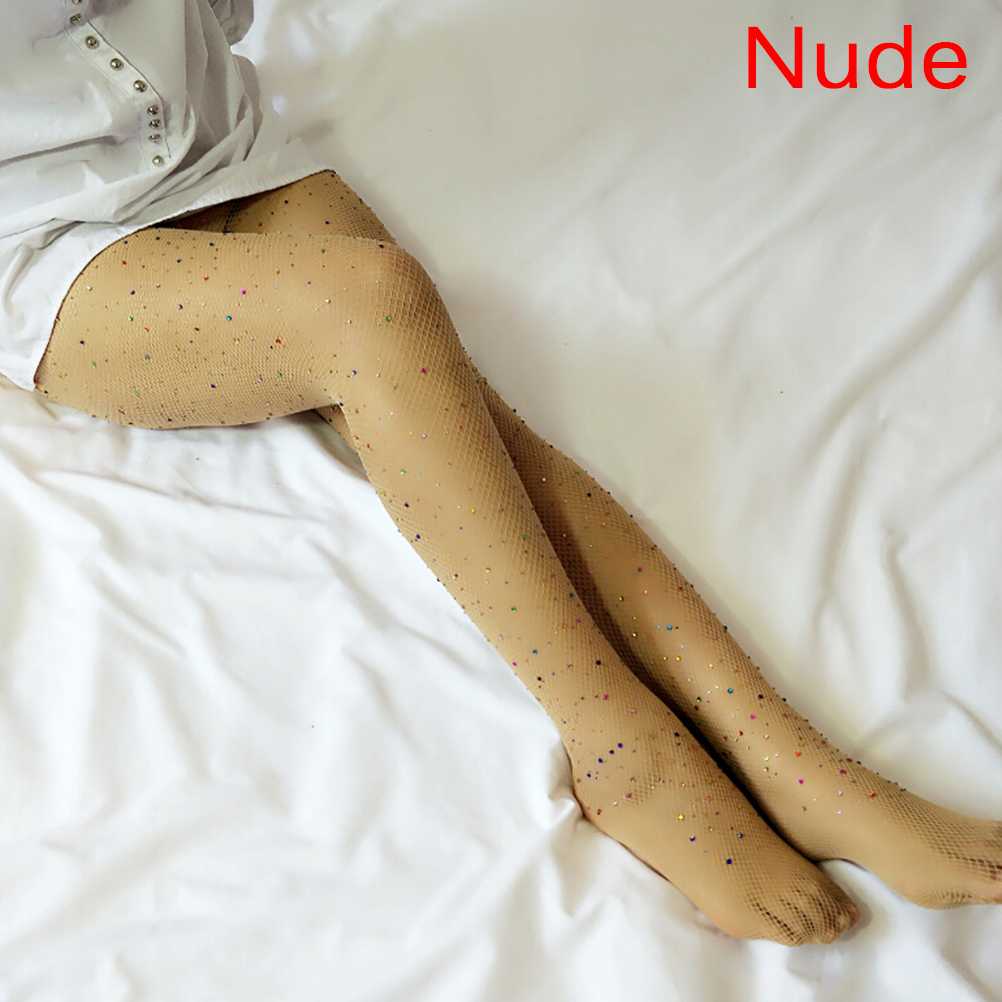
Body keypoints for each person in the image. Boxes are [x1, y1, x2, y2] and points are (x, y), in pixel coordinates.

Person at [4, 0, 1001, 947]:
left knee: (463, 424)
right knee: (374, 309)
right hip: (48, 239)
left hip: (213, 137)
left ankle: (793, 761)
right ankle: (619, 746)